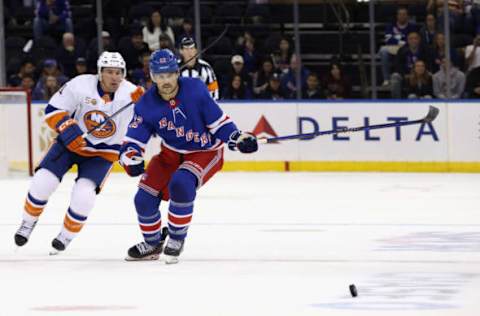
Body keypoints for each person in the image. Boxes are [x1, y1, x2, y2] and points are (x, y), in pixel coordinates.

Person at [119, 49, 258, 263]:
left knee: (181, 183)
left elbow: (219, 122)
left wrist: (237, 138)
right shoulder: (145, 104)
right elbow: (134, 139)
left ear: (177, 73)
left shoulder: (195, 90)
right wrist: (130, 157)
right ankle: (153, 242)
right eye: (160, 76)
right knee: (143, 199)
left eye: (169, 75)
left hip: (205, 152)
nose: (165, 81)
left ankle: (176, 238)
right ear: (153, 77)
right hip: (170, 154)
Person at [14, 52, 144, 253]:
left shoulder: (133, 94)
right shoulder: (80, 84)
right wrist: (67, 128)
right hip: (70, 144)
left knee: (84, 196)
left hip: (103, 153)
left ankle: (65, 236)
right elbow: (53, 109)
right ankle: (27, 223)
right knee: (42, 181)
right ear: (100, 73)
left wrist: (147, 103)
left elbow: (151, 118)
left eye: (119, 72)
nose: (115, 77)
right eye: (109, 72)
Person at [378, 7, 417, 86]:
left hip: (406, 48)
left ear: (407, 16)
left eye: (404, 14)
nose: (402, 16)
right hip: (393, 47)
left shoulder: (412, 27)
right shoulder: (391, 26)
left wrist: (396, 39)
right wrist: (401, 41)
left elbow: (412, 40)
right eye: (400, 14)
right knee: (383, 50)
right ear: (397, 16)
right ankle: (386, 79)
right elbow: (388, 40)